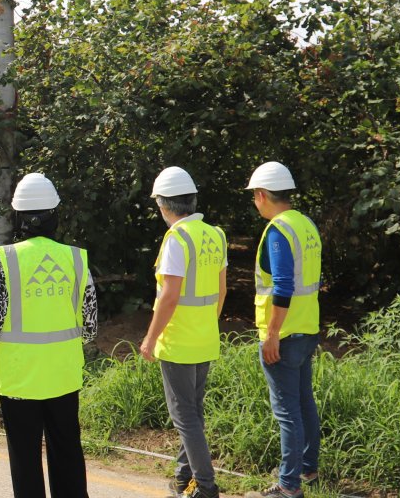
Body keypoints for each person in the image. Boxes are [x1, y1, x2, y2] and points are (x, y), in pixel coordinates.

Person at [0, 173, 96, 498]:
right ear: (55, 216)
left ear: (18, 218)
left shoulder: (7, 261)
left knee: (25, 458)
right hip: (62, 376)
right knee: (67, 451)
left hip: (19, 381)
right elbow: (90, 326)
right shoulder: (75, 259)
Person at [138, 167, 226, 498]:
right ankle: (182, 477)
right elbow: (221, 291)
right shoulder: (215, 234)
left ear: (163, 205)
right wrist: (206, 324)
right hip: (205, 338)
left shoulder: (177, 238)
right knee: (193, 412)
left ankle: (206, 487)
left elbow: (169, 296)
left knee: (184, 416)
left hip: (178, 341)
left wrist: (151, 337)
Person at [243, 162, 322, 498]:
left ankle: (289, 486)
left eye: (254, 197)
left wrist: (272, 333)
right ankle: (308, 470)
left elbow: (284, 285)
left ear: (262, 195)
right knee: (305, 403)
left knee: (287, 411)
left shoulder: (278, 231)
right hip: (308, 329)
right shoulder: (305, 224)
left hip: (285, 335)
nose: (254, 202)